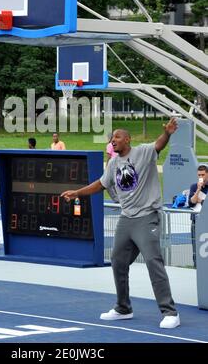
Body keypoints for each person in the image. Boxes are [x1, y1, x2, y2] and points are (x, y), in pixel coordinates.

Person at [61, 117, 180, 329]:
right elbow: (100, 184)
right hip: (126, 218)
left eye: (117, 136)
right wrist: (78, 192)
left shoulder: (142, 152)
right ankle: (123, 308)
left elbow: (159, 144)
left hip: (147, 217)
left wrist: (168, 133)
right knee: (117, 261)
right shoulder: (114, 163)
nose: (113, 139)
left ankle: (170, 312)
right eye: (111, 137)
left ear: (127, 139)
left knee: (153, 262)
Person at [188, 165, 208, 268]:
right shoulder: (193, 187)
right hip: (196, 220)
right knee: (195, 245)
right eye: (199, 175)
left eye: (203, 175)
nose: (201, 177)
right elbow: (191, 203)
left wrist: (201, 201)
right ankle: (196, 266)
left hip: (206, 220)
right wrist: (198, 190)